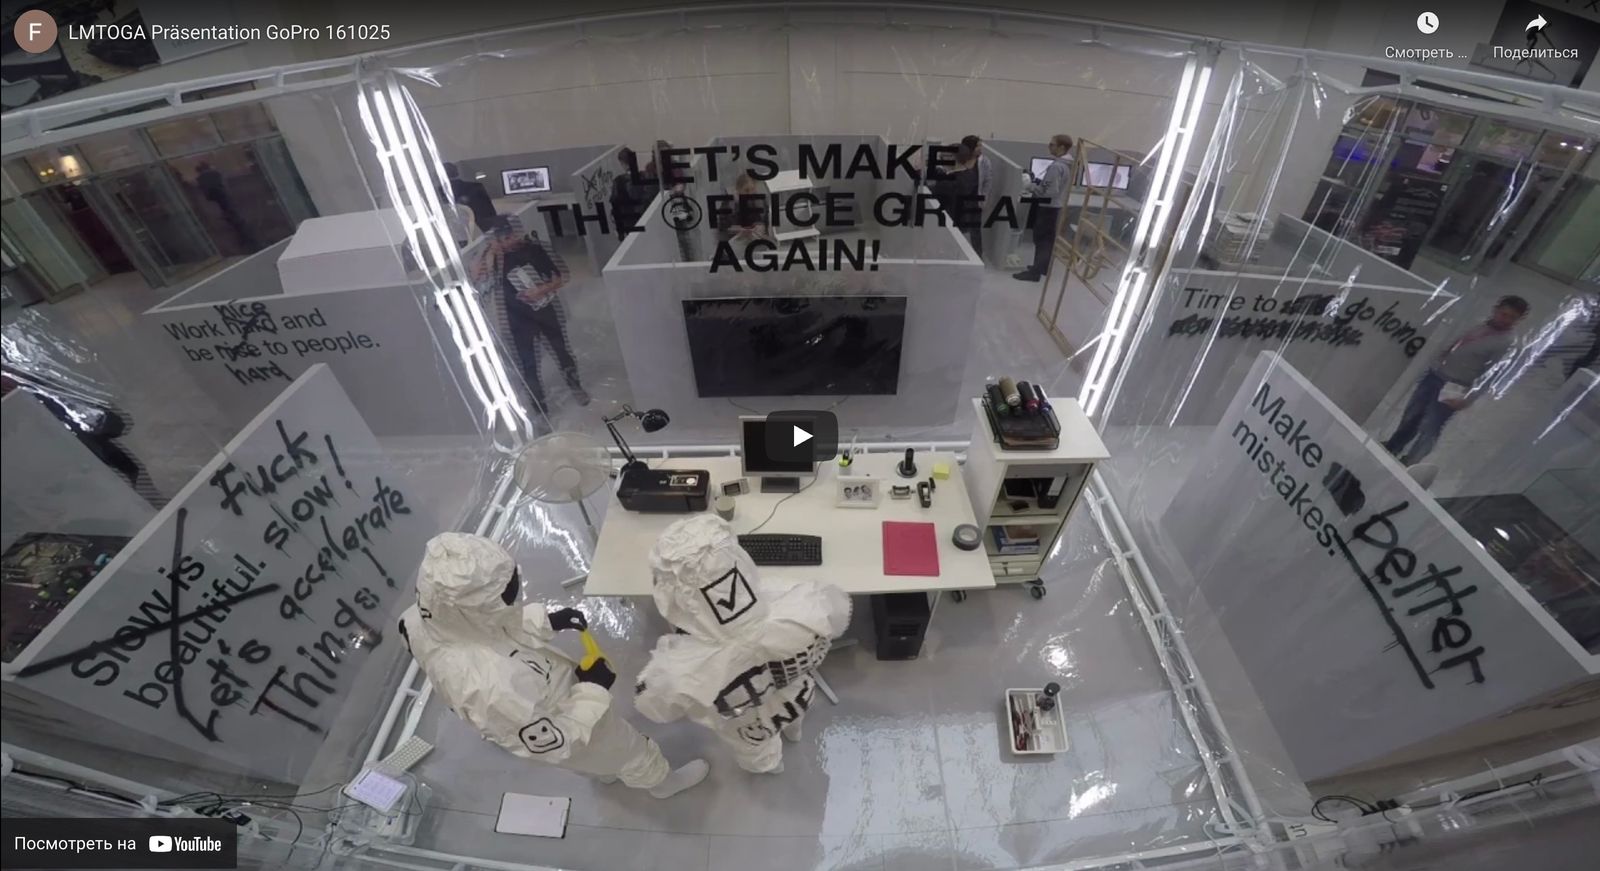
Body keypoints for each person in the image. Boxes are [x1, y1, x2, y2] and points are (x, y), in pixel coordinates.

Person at [399, 533, 710, 798]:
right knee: (626, 748)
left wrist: (545, 621)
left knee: (596, 761)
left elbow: (493, 626)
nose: (514, 599)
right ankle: (662, 783)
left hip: (538, 692)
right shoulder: (488, 688)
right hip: (561, 718)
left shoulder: (426, 617)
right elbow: (558, 743)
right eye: (506, 596)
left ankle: (605, 770)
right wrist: (593, 689)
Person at [635, 516, 852, 774]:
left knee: (759, 752)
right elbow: (838, 612)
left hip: (746, 726)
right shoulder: (797, 604)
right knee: (794, 719)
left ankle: (773, 766)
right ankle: (794, 732)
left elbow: (656, 707)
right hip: (795, 696)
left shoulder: (679, 668)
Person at [1382, 295, 1529, 464]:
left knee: (1431, 426)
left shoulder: (1506, 342)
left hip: (1455, 386)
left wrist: (1469, 398)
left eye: (1512, 317)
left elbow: (1493, 374)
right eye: (1504, 314)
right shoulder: (1479, 324)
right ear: (1496, 309)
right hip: (1436, 375)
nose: (1506, 320)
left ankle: (1411, 461)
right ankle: (1393, 446)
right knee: (1412, 414)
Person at [472, 216, 589, 411]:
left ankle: (575, 386)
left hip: (544, 311)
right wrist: (489, 253)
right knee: (528, 364)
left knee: (561, 351)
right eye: (501, 239)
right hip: (516, 319)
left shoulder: (535, 249)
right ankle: (539, 407)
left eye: (509, 237)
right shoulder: (492, 257)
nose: (506, 242)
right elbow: (477, 277)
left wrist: (541, 290)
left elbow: (561, 276)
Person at [1014, 134, 1074, 282]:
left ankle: (1035, 273)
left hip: (1048, 208)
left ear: (1061, 147)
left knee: (1041, 240)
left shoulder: (1056, 166)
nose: (1049, 146)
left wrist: (1033, 187)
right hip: (1054, 207)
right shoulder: (1067, 165)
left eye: (1052, 144)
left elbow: (1051, 191)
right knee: (1046, 240)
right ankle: (1041, 267)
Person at [929, 143, 981, 256]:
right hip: (965, 227)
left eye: (943, 157)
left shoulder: (950, 183)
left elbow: (932, 189)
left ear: (952, 158)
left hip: (950, 229)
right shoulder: (970, 175)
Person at [195, 162, 255, 248]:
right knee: (234, 215)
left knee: (229, 213)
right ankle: (246, 238)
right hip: (223, 195)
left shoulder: (200, 178)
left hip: (216, 197)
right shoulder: (214, 173)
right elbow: (222, 182)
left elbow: (204, 190)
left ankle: (242, 237)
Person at [961, 134, 993, 257]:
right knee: (959, 228)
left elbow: (988, 182)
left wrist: (984, 199)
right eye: (978, 146)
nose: (980, 148)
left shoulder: (984, 161)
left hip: (975, 200)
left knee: (975, 230)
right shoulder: (960, 159)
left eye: (980, 145)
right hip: (960, 199)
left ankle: (978, 256)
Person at [716, 171, 769, 241]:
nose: (750, 193)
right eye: (746, 190)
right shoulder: (729, 204)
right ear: (738, 190)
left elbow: (766, 221)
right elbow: (723, 228)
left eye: (752, 189)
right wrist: (740, 230)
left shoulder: (760, 202)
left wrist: (761, 227)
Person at [445, 162, 497, 232]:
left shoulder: (440, 193)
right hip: (481, 229)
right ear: (457, 172)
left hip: (456, 234)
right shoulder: (476, 187)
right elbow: (490, 212)